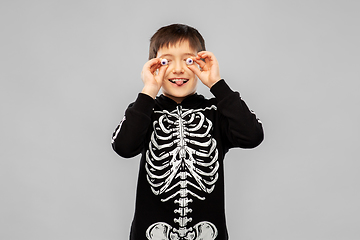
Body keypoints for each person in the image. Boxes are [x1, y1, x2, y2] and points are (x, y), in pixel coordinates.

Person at [111, 23, 264, 240]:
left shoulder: (216, 112)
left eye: (188, 60)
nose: (178, 69)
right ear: (153, 65)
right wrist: (148, 91)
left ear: (201, 62)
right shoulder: (145, 111)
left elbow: (253, 135)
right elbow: (123, 147)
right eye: (166, 61)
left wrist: (217, 84)